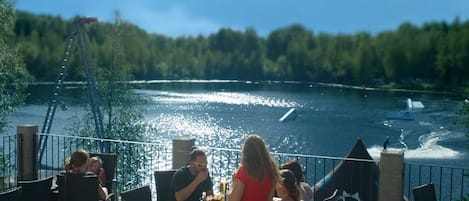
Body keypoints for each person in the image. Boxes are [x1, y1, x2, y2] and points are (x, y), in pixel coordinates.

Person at [228, 134, 280, 201]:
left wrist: (232, 184)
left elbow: (233, 199)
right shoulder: (271, 171)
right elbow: (269, 199)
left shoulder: (244, 171)